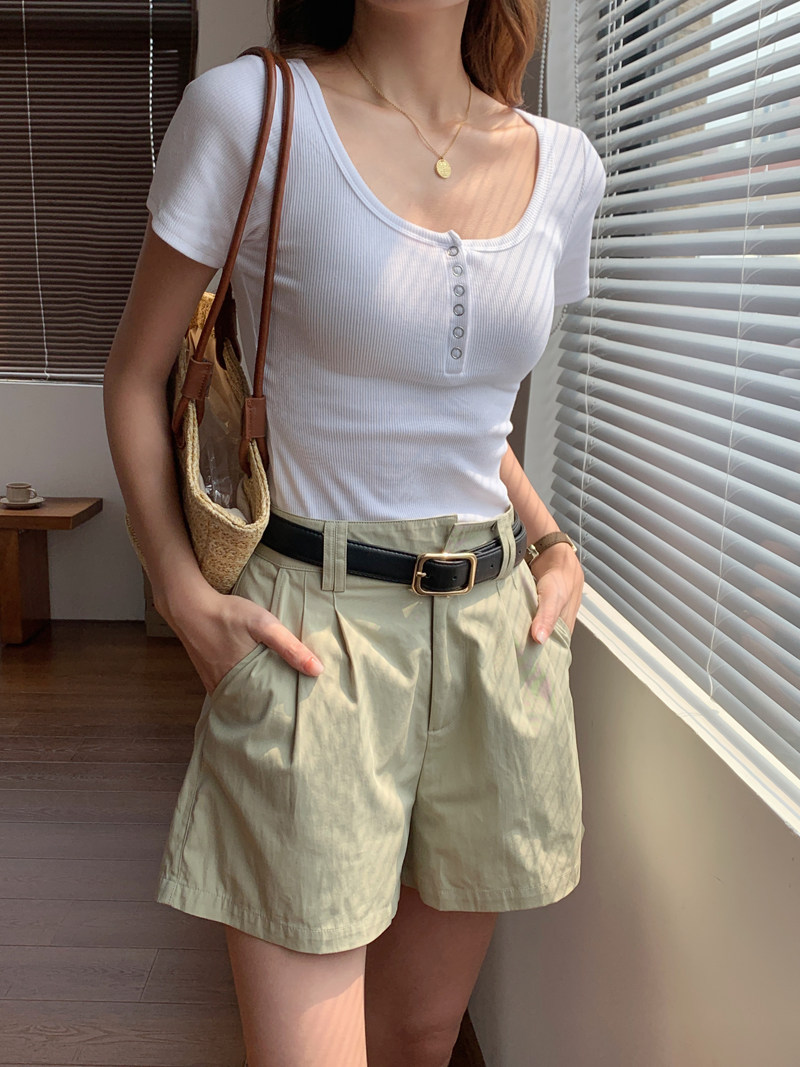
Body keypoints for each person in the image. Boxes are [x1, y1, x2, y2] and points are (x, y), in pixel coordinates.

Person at [103, 1, 606, 1064]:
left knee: (419, 1036)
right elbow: (135, 375)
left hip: (492, 634)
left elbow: (467, 415)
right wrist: (180, 593)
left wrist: (553, 541)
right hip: (310, 637)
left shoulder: (565, 165)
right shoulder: (251, 112)